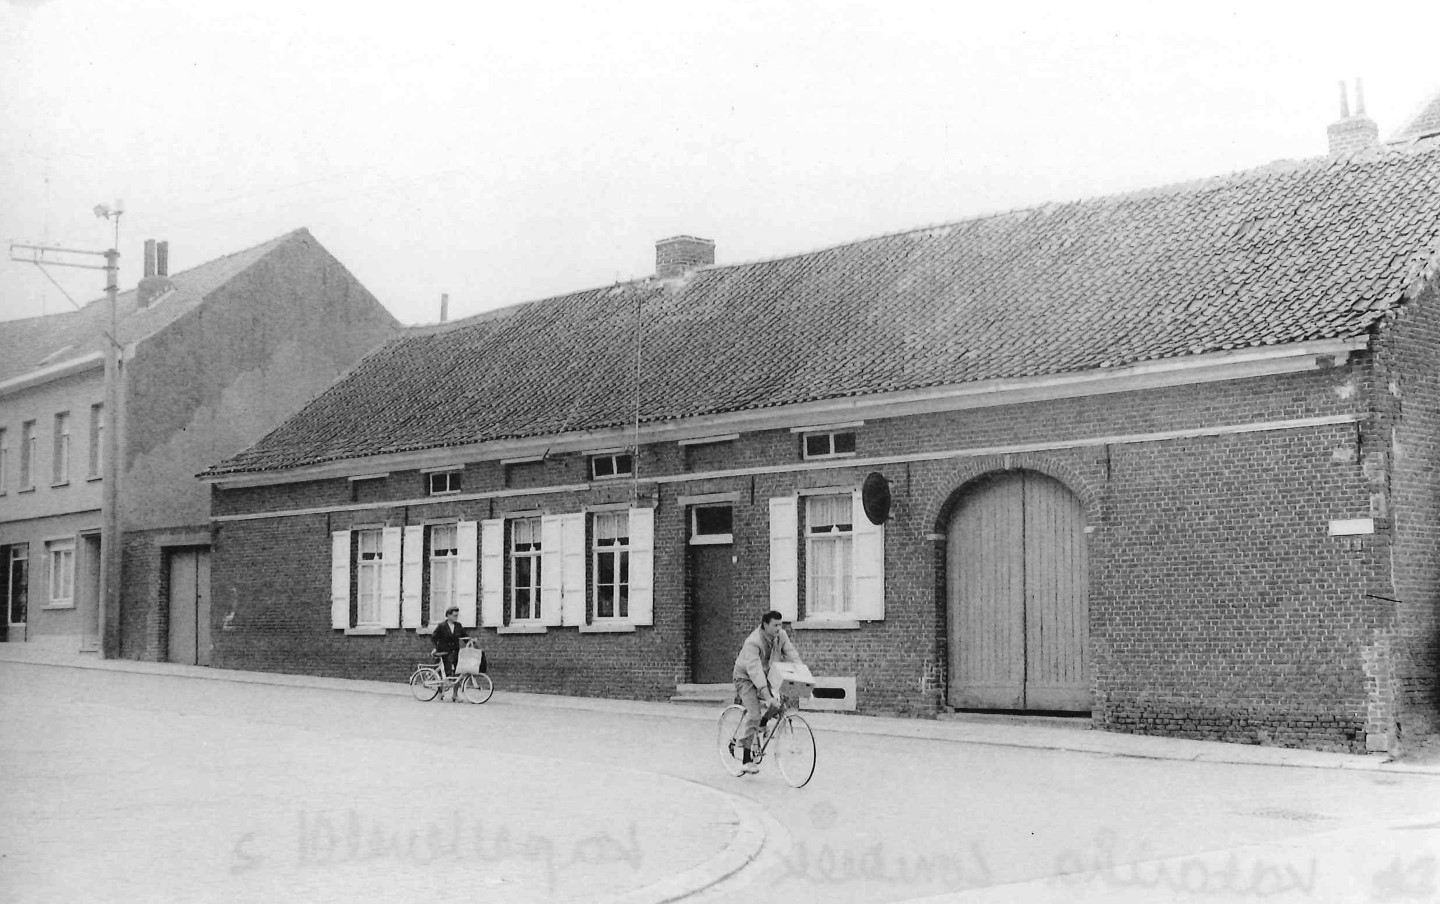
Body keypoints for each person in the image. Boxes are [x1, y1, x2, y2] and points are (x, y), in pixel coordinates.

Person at [731, 610, 802, 773]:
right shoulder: (753, 643)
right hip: (746, 678)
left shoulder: (781, 636)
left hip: (766, 674)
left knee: (779, 704)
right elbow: (755, 672)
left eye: (780, 625)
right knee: (754, 714)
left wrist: (803, 676)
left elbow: (792, 655)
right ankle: (746, 758)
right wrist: (767, 695)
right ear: (765, 625)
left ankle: (762, 725)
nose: (779, 628)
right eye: (775, 625)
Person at [432, 606, 470, 701]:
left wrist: (470, 642)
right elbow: (434, 637)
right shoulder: (441, 626)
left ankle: (455, 695)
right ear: (448, 615)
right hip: (444, 651)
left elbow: (465, 636)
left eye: (457, 615)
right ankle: (440, 692)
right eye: (454, 615)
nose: (456, 617)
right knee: (443, 672)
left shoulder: (458, 626)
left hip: (455, 651)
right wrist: (436, 648)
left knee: (457, 672)